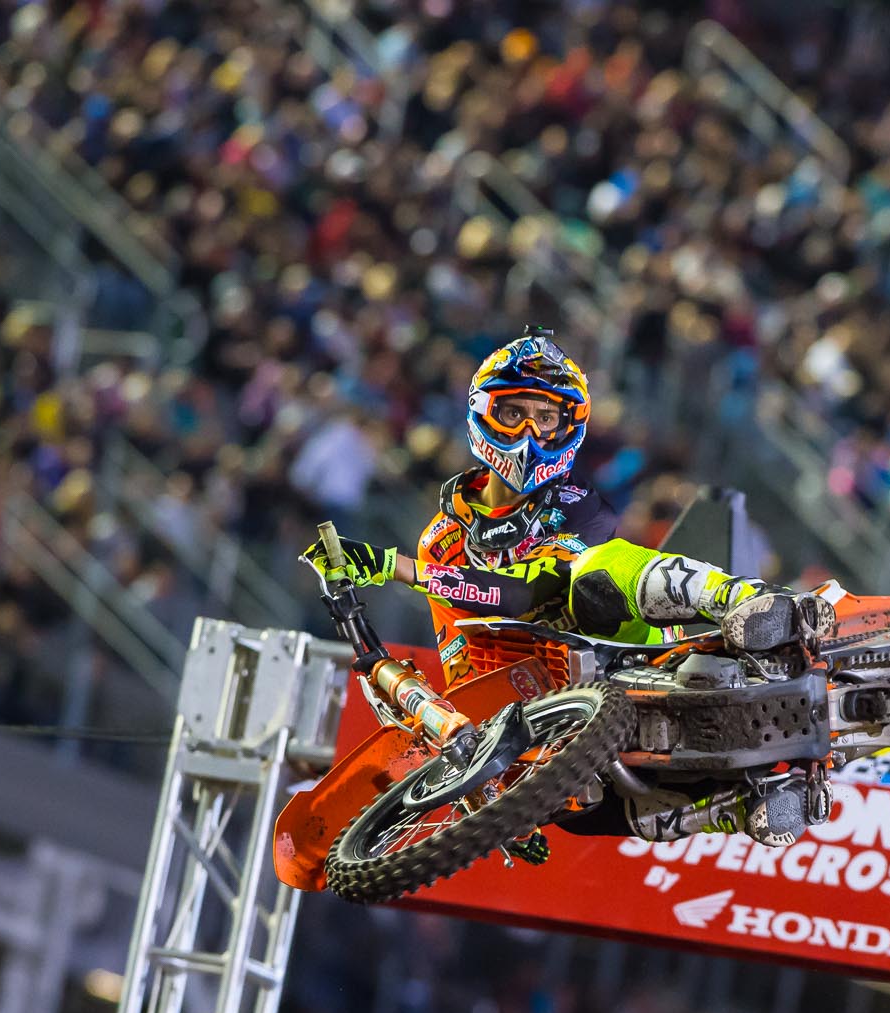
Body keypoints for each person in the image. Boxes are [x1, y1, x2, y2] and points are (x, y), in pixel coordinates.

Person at [307, 330, 827, 849]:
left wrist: (390, 566)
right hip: (549, 703)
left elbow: (525, 594)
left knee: (595, 575)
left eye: (547, 416)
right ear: (484, 413)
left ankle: (741, 599)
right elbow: (461, 658)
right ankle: (742, 809)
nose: (531, 430)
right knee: (573, 808)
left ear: (568, 425)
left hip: (630, 649)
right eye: (515, 413)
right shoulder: (441, 540)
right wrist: (492, 800)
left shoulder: (577, 503)